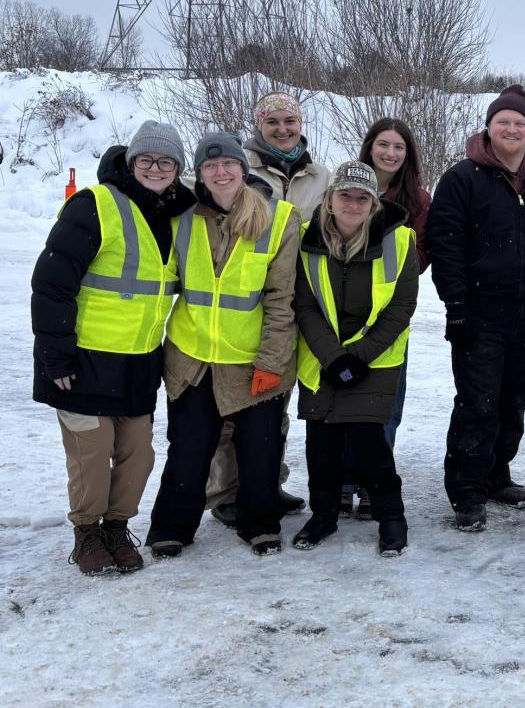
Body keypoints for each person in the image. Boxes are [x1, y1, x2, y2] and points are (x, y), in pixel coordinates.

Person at [31, 122, 195, 575]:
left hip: (139, 360)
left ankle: (117, 528)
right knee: (92, 451)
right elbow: (51, 284)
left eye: (166, 161)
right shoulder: (95, 204)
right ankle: (87, 532)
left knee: (137, 454)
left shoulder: (179, 214)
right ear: (131, 161)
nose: (156, 168)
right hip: (82, 358)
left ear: (178, 169)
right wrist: (55, 356)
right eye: (147, 159)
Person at [146, 132, 301, 557]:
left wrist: (271, 360)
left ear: (243, 169)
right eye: (210, 165)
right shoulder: (181, 217)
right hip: (193, 356)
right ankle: (172, 527)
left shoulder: (279, 218)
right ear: (199, 173)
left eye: (229, 163)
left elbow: (282, 298)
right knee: (190, 448)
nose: (220, 172)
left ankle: (260, 523)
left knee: (260, 449)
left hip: (254, 358)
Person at [427, 85, 525, 532]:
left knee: (513, 402)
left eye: (520, 123)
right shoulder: (461, 179)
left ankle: (495, 475)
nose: (512, 129)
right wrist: (456, 306)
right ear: (488, 127)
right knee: (478, 403)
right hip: (479, 312)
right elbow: (445, 247)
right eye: (503, 121)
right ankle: (467, 491)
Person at [205, 91, 330, 525]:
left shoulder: (319, 175)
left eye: (289, 121)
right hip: (245, 296)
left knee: (273, 398)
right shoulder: (240, 168)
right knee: (231, 406)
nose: (282, 129)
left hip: (298, 298)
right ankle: (226, 493)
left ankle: (267, 484)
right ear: (259, 125)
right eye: (272, 122)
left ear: (300, 125)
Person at [291, 161, 416, 556]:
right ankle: (323, 515)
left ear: (374, 204)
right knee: (321, 442)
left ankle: (391, 518)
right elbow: (305, 305)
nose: (353, 203)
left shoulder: (400, 240)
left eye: (363, 197)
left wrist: (358, 356)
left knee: (369, 441)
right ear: (329, 200)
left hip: (374, 358)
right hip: (322, 357)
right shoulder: (306, 238)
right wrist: (333, 358)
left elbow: (401, 307)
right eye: (345, 195)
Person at [339, 117, 432, 519]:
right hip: (343, 311)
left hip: (390, 312)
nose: (390, 153)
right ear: (369, 146)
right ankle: (341, 481)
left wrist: (386, 265)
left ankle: (372, 482)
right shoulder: (345, 186)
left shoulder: (418, 200)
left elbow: (423, 254)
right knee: (342, 395)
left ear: (408, 154)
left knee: (385, 401)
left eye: (399, 147)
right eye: (383, 144)